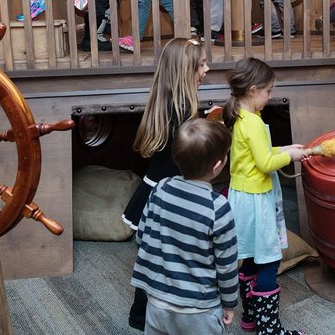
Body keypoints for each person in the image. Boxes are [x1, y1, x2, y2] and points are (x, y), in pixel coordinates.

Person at [122, 38, 209, 330]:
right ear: (187, 71)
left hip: (155, 189)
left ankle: (140, 315)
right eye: (202, 64)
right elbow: (190, 157)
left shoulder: (168, 102)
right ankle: (157, 316)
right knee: (165, 260)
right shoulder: (183, 111)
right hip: (168, 195)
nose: (207, 70)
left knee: (151, 258)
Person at [222, 57, 307, 335]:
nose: (270, 97)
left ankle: (250, 319)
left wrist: (285, 147)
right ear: (253, 90)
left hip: (241, 198)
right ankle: (269, 330)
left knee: (249, 257)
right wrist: (290, 156)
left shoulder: (242, 116)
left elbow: (258, 153)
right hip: (257, 202)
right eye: (268, 91)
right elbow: (265, 164)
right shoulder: (254, 123)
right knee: (269, 259)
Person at [131, 118, 238, 334]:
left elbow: (141, 236)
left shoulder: (161, 188)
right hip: (199, 310)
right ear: (218, 166)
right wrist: (229, 303)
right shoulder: (218, 207)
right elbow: (226, 265)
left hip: (156, 302)